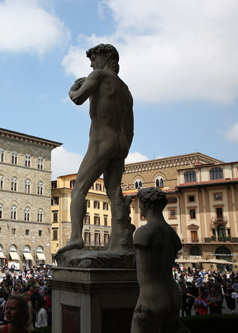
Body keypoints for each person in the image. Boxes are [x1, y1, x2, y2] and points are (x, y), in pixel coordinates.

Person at [56, 43, 134, 256]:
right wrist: (124, 148)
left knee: (79, 189)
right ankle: (119, 238)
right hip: (121, 143)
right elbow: (130, 128)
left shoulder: (98, 75)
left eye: (94, 59)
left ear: (106, 58)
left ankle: (76, 237)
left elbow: (77, 98)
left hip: (102, 139)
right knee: (114, 192)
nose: (91, 64)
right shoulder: (126, 91)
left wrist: (75, 86)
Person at [130, 188, 188, 333]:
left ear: (146, 205)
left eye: (140, 204)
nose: (139, 208)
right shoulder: (172, 234)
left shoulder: (143, 233)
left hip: (151, 296)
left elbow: (141, 269)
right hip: (173, 294)